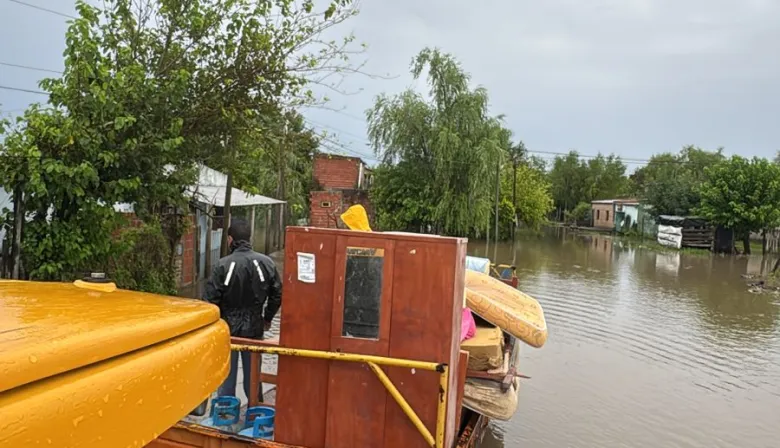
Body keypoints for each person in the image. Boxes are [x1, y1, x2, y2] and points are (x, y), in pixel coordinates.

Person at [204, 218, 282, 400]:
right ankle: (255, 413)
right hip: (255, 326)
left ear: (230, 239)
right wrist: (267, 318)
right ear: (250, 238)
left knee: (226, 374)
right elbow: (277, 294)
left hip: (227, 329)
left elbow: (209, 300)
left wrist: (213, 326)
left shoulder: (222, 265)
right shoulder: (266, 263)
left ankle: (225, 415)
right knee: (253, 373)